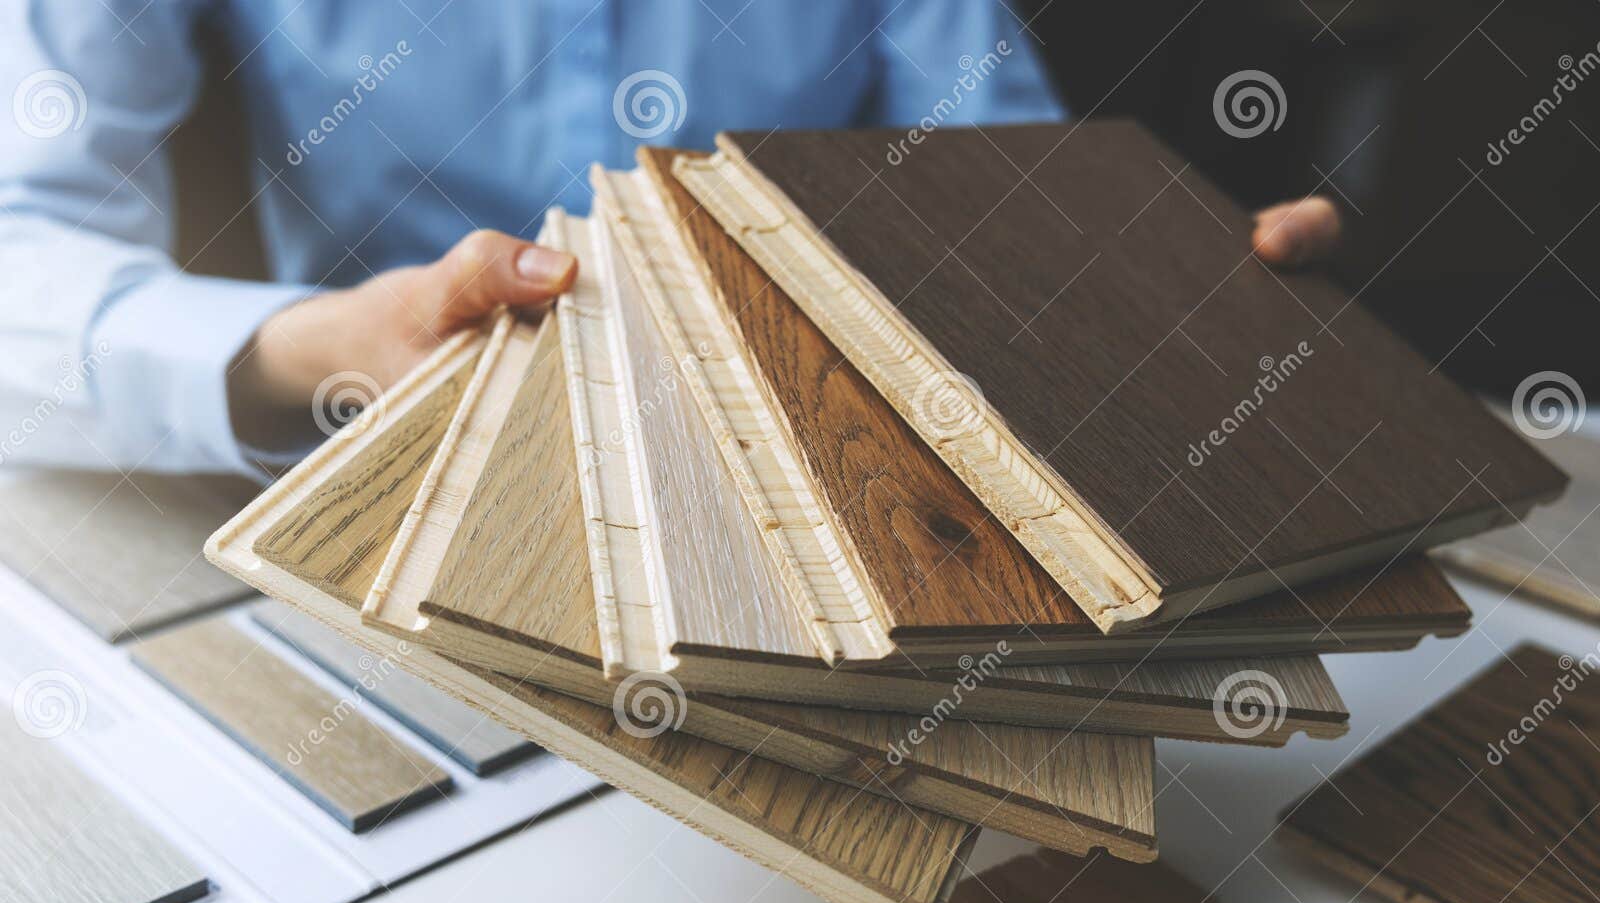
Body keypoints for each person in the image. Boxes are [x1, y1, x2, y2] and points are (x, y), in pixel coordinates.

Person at [0, 1, 1339, 479]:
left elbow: (1000, 182)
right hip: (376, 475)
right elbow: (21, 243)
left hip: (821, 479)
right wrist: (305, 352)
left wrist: (1150, 273)